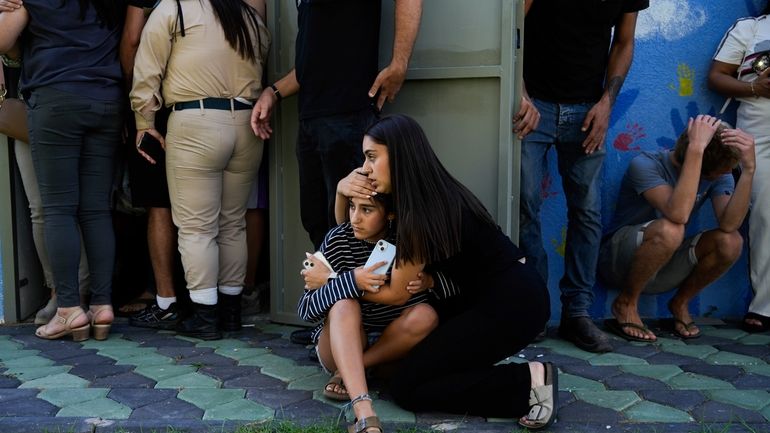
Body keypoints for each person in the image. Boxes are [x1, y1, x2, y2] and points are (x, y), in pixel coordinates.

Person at [338, 115, 554, 430]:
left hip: (513, 304)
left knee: (408, 387)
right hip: (481, 298)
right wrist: (342, 190)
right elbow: (344, 229)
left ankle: (530, 380)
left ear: (399, 155)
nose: (365, 168)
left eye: (371, 157)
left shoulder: (421, 212)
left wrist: (337, 283)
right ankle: (367, 368)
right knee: (409, 369)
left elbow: (397, 294)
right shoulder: (426, 194)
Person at [251, 0, 423, 347]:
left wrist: (399, 63)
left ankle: (361, 326)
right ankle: (336, 318)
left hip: (348, 115)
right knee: (318, 222)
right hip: (311, 118)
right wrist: (273, 92)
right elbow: (312, 63)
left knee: (360, 224)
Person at [130, 0, 270, 340]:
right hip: (246, 124)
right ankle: (232, 312)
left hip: (195, 122)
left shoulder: (175, 8)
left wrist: (143, 121)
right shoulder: (249, 16)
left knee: (196, 227)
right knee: (232, 222)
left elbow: (146, 69)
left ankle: (205, 316)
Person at [519, 0, 649, 353]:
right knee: (523, 204)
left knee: (587, 212)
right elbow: (512, 26)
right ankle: (534, 310)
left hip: (588, 109)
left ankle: (577, 313)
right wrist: (517, 91)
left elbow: (624, 42)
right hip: (533, 107)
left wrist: (607, 104)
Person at [1, 0, 125, 340]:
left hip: (56, 100)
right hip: (106, 101)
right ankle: (102, 306)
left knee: (58, 209)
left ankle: (69, 310)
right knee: (97, 210)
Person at [297, 193, 455, 414]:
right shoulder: (338, 239)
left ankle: (357, 368)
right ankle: (355, 378)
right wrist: (350, 281)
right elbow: (306, 311)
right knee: (345, 305)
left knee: (425, 315)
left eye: (367, 210)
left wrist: (431, 282)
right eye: (352, 207)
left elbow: (455, 291)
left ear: (390, 213)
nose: (354, 218)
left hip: (391, 351)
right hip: (340, 348)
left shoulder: (410, 238)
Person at [600, 115, 754, 341]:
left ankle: (680, 302)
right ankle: (626, 302)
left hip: (665, 265)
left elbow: (729, 224)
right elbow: (679, 214)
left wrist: (749, 169)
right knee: (672, 228)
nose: (726, 175)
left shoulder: (717, 176)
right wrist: (697, 151)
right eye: (721, 172)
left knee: (731, 241)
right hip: (618, 262)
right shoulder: (646, 164)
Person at [708, 3, 770, 332]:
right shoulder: (750, 28)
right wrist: (754, 88)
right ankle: (765, 307)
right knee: (764, 217)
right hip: (759, 139)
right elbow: (716, 76)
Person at [120, 0, 181, 329]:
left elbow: (132, 38)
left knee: (158, 204)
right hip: (199, 100)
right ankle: (206, 298)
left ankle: (164, 297)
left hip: (155, 104)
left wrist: (134, 102)